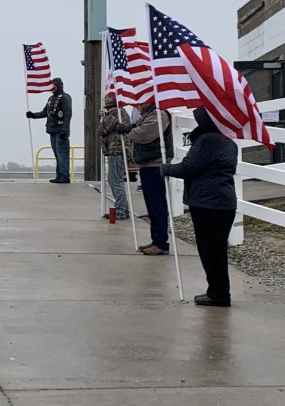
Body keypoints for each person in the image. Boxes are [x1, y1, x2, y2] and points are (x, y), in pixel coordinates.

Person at [161, 108, 238, 306]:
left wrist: (166, 169)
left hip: (207, 202)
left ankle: (219, 294)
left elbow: (188, 167)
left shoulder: (207, 140)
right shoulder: (229, 141)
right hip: (225, 202)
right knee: (218, 250)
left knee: (210, 250)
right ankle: (219, 291)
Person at [117, 97, 173, 254]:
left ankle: (161, 243)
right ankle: (156, 240)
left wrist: (127, 130)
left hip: (156, 165)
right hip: (147, 164)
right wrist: (130, 127)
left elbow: (142, 134)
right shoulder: (148, 115)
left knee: (158, 205)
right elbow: (138, 127)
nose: (138, 105)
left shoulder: (159, 115)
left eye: (141, 101)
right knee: (152, 206)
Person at [26, 77, 73, 183]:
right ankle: (59, 176)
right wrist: (33, 115)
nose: (51, 87)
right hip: (52, 130)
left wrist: (65, 130)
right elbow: (45, 112)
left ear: (59, 85)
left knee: (62, 155)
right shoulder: (51, 99)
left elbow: (68, 114)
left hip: (61, 131)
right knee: (57, 155)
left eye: (53, 85)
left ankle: (65, 177)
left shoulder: (65, 98)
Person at [99, 93, 131, 220]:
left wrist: (102, 119)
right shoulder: (120, 112)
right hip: (118, 150)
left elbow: (102, 130)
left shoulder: (114, 113)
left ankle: (121, 210)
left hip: (116, 150)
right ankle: (124, 208)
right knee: (115, 180)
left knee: (115, 181)